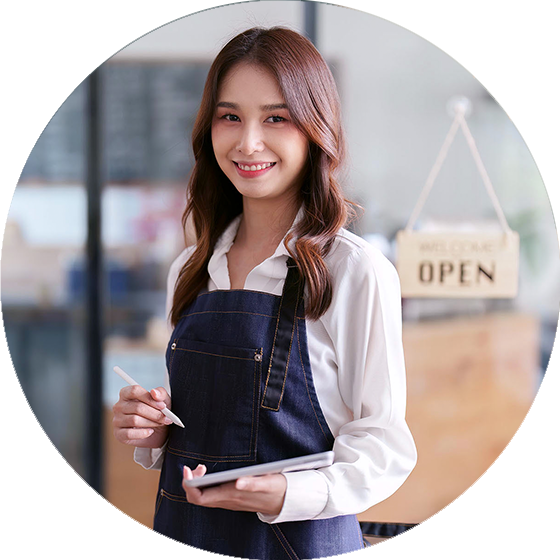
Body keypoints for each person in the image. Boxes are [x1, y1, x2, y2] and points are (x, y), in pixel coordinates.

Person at [112, 26, 417, 559]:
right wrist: (155, 429)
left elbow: (385, 447)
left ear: (315, 128)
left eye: (275, 118)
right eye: (230, 117)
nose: (247, 142)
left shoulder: (355, 269)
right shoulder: (190, 268)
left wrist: (289, 494)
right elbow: (209, 421)